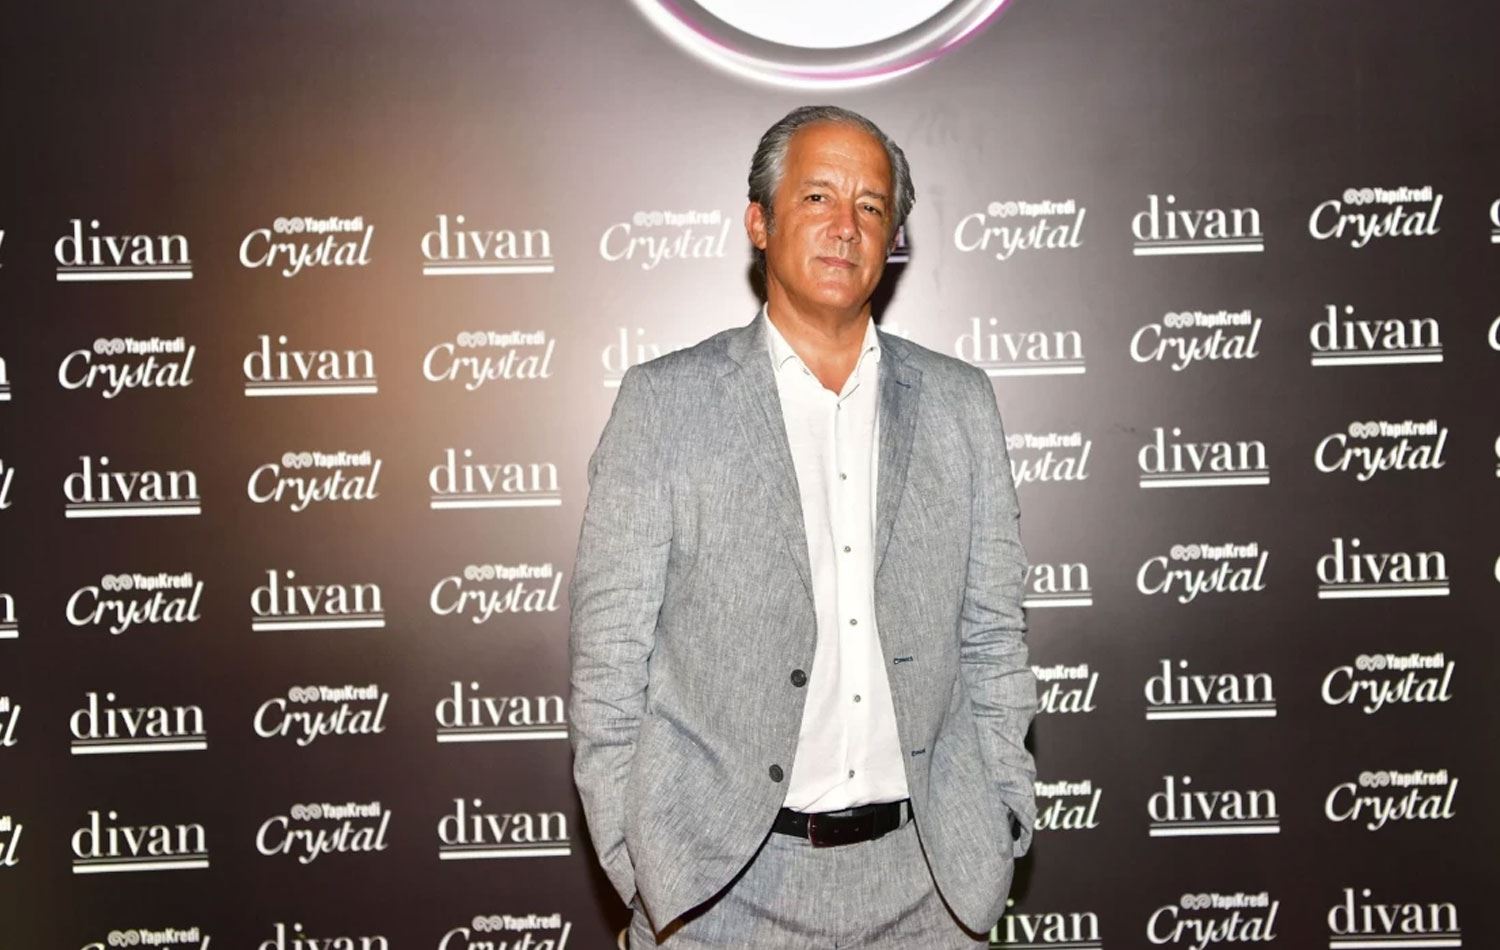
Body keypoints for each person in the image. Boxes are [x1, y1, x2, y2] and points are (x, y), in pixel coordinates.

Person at [569, 104, 1037, 948]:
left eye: (871, 205)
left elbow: (994, 638)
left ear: (892, 236)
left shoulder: (961, 404)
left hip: (931, 892)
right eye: (818, 196)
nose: (845, 225)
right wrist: (643, 864)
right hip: (715, 897)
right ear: (760, 221)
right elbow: (609, 660)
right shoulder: (665, 403)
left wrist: (1002, 813)